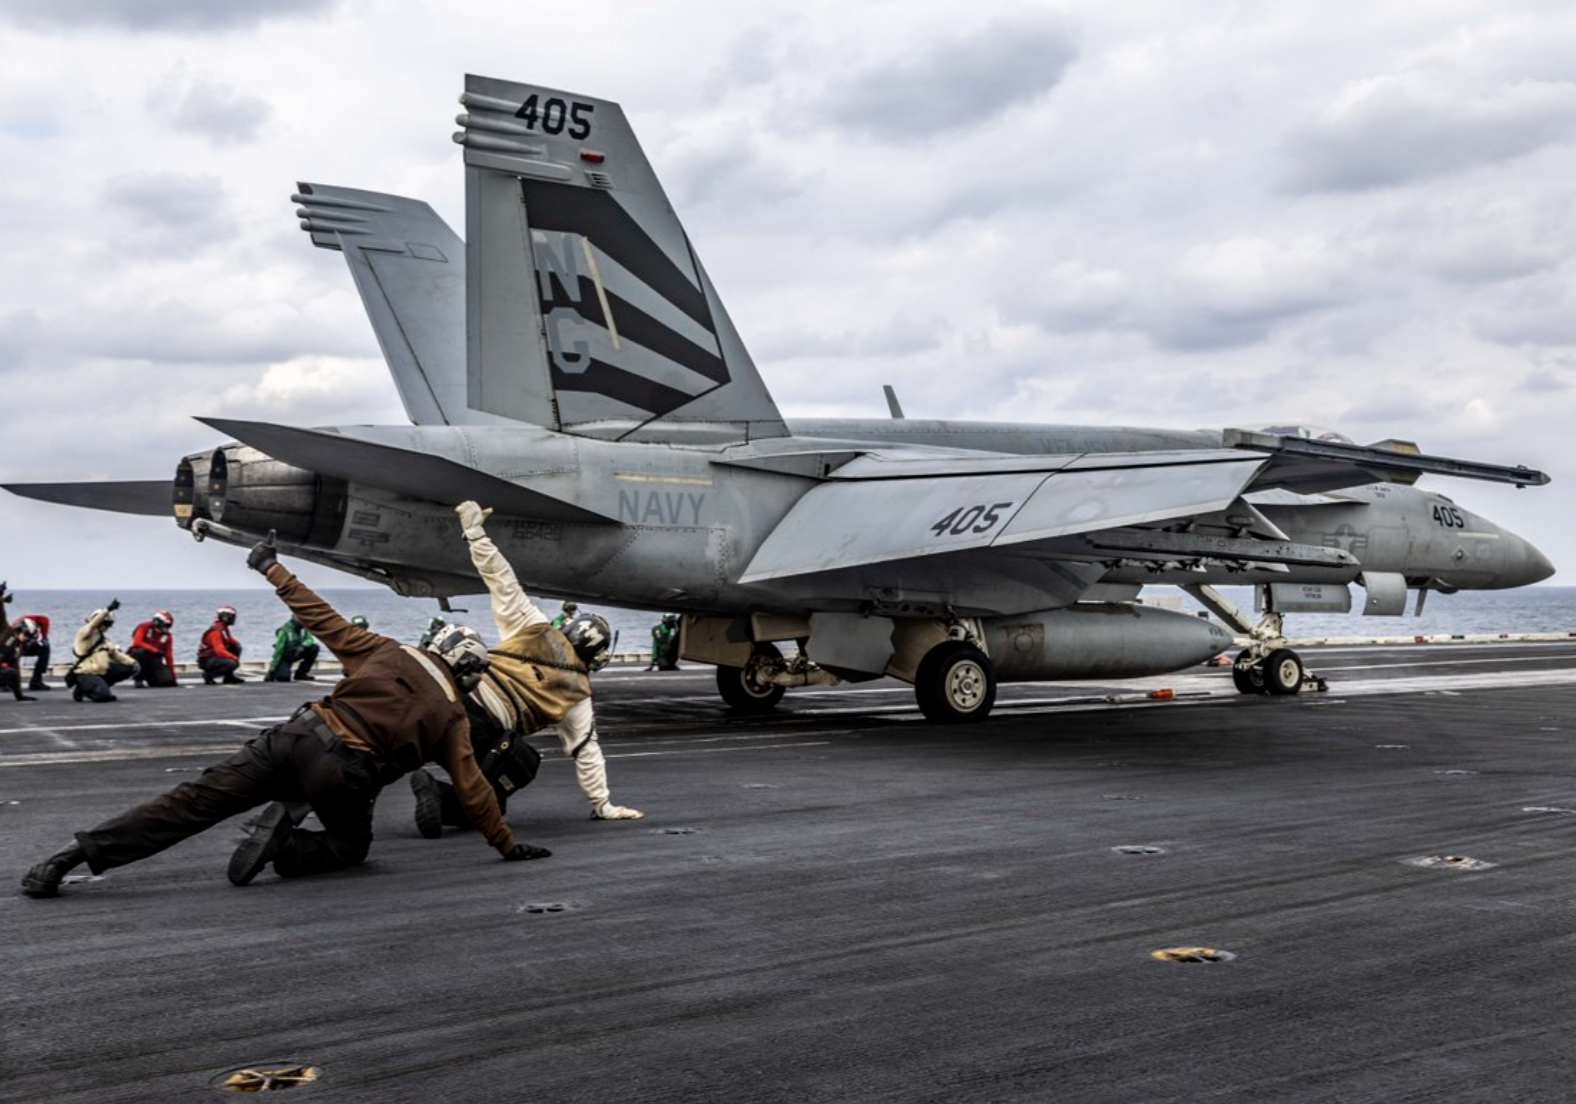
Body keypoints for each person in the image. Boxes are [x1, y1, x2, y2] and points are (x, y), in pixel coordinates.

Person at [19, 535, 550, 899]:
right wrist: (506, 844)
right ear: (466, 673)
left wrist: (272, 566)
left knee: (188, 803)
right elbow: (475, 790)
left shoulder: (386, 650)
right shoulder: (454, 716)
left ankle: (65, 859)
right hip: (345, 772)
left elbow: (320, 617)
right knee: (350, 845)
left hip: (295, 735)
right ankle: (288, 843)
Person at [407, 500, 643, 838]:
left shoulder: (534, 626)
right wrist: (602, 804)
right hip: (480, 731)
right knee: (522, 762)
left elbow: (501, 578)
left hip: (448, 695)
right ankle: (447, 798)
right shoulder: (578, 695)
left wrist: (474, 533)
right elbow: (587, 751)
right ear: (596, 657)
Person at [67, 601, 136, 702]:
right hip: (86, 672)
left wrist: (133, 663)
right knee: (103, 697)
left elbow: (116, 655)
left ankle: (98, 686)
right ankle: (82, 688)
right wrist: (108, 610)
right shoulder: (84, 634)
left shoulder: (105, 640)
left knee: (128, 668)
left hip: (100, 671)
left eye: (110, 624)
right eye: (106, 624)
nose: (107, 627)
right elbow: (92, 625)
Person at [128, 611, 178, 688]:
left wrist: (172, 676)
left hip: (154, 660)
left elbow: (169, 656)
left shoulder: (167, 637)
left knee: (168, 682)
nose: (166, 628)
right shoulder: (144, 627)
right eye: (165, 625)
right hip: (139, 657)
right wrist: (154, 650)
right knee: (138, 652)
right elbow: (137, 642)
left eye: (168, 626)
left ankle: (151, 678)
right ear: (158, 622)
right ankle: (138, 679)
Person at [198, 605, 245, 684]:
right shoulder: (216, 631)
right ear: (225, 617)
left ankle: (229, 677)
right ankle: (209, 675)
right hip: (207, 659)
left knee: (236, 648)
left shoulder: (223, 627)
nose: (233, 619)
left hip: (212, 657)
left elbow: (229, 639)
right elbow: (219, 650)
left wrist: (237, 644)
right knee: (232, 663)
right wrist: (233, 657)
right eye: (232, 616)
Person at [0, 616, 41, 702]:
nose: (27, 639)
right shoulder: (8, 638)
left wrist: (19, 696)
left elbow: (16, 669)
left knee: (11, 672)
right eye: (27, 635)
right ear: (21, 630)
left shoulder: (18, 644)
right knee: (8, 672)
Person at [267, 616, 319, 682]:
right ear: (294, 619)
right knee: (284, 678)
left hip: (298, 652)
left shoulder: (303, 628)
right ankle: (276, 672)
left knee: (314, 648)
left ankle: (301, 673)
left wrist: (303, 646)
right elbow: (279, 649)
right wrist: (272, 668)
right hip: (286, 656)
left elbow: (310, 639)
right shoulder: (284, 630)